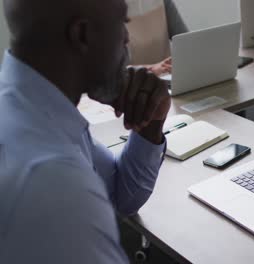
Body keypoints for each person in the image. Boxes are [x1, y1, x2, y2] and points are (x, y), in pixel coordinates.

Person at [0, 0, 170, 262]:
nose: (127, 38)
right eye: (123, 23)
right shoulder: (54, 185)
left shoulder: (33, 107)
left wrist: (151, 122)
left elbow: (118, 195)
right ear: (82, 35)